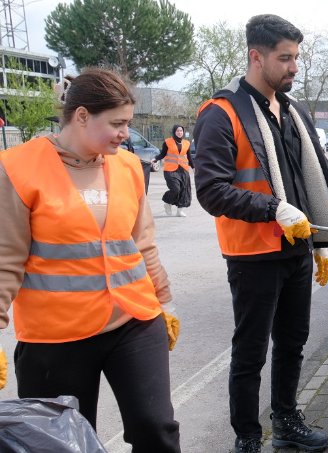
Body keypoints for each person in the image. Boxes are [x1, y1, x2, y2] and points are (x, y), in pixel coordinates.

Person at [193, 14, 328, 453]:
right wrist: (274, 208)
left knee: (293, 343)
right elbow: (211, 191)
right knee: (250, 353)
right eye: (285, 58)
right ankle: (247, 436)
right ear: (256, 56)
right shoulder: (221, 113)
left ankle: (286, 421)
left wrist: (318, 241)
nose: (293, 68)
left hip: (296, 249)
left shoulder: (292, 110)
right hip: (252, 255)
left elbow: (308, 180)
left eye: (296, 58)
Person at [0, 68, 181, 452]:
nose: (125, 133)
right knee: (64, 443)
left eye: (127, 123)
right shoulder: (18, 168)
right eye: (117, 123)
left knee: (156, 427)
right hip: (57, 336)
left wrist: (164, 301)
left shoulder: (129, 166)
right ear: (81, 116)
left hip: (133, 320)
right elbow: (5, 260)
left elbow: (142, 243)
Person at [155, 125, 193, 217]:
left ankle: (179, 211)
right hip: (170, 170)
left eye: (181, 131)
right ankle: (167, 203)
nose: (179, 132)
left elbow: (189, 157)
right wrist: (155, 159)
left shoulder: (187, 143)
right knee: (175, 189)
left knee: (184, 190)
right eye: (177, 131)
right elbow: (162, 154)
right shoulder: (168, 142)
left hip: (183, 169)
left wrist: (194, 167)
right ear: (174, 132)